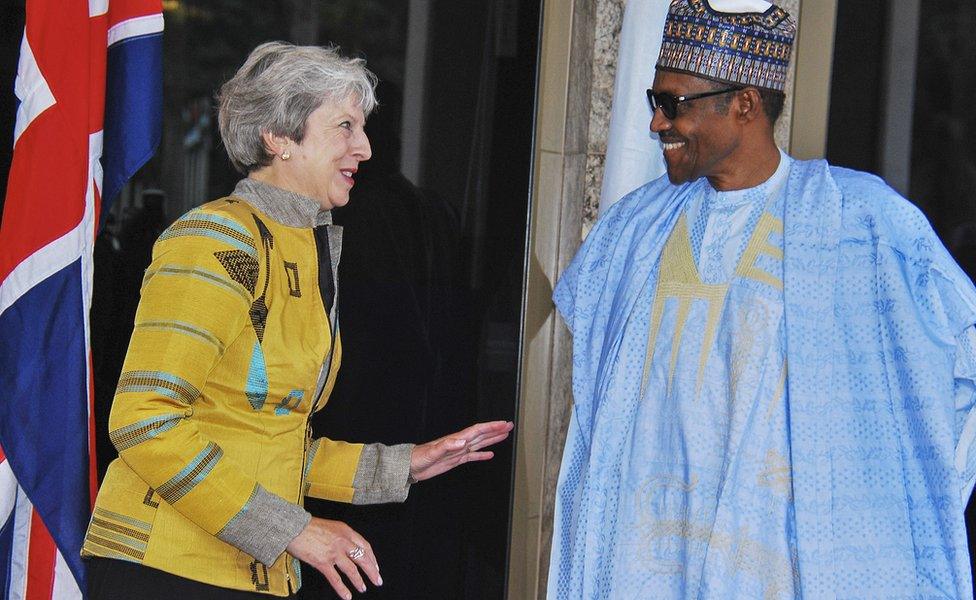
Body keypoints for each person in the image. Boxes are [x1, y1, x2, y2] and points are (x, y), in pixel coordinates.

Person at [547, 1, 976, 598]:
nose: (656, 125)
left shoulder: (863, 224)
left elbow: (964, 360)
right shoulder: (633, 230)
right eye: (653, 102)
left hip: (783, 572)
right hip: (650, 566)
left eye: (673, 104)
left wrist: (907, 511)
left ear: (744, 104)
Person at [80, 41, 513, 600]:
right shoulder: (217, 239)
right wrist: (297, 530)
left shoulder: (305, 247)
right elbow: (145, 419)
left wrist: (407, 464)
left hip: (245, 573)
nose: (365, 147)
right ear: (279, 138)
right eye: (345, 126)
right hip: (166, 570)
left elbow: (276, 443)